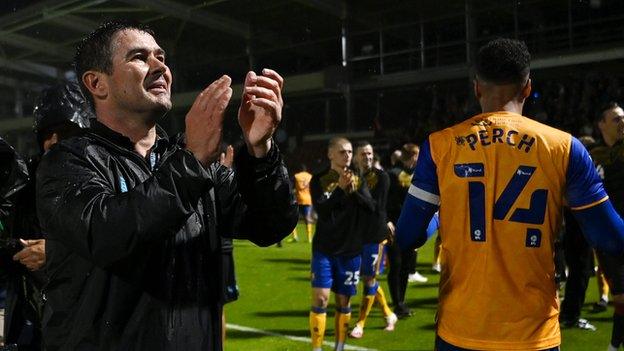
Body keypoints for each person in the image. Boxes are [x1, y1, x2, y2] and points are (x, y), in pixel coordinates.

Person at [36, 21, 297, 351]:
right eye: (140, 57)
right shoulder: (67, 162)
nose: (161, 66)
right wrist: (191, 163)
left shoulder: (194, 162)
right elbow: (109, 234)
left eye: (161, 56)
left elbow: (271, 225)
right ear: (97, 83)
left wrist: (262, 152)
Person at [396, 38, 624, 350]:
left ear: (477, 88)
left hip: (462, 330)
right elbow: (610, 239)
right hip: (532, 333)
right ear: (528, 87)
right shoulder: (565, 148)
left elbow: (408, 237)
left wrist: (436, 218)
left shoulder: (440, 146)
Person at [1, 82, 91, 351]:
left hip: (90, 327)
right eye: (47, 134)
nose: (54, 141)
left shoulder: (108, 179)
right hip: (33, 327)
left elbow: (125, 242)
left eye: (64, 132)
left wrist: (55, 253)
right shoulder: (24, 185)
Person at [309, 137, 374, 351]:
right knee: (320, 300)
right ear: (330, 154)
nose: (347, 155)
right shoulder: (318, 179)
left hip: (350, 251)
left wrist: (353, 191)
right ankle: (317, 349)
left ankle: (339, 348)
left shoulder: (359, 179)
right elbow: (322, 211)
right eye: (342, 152)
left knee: (344, 303)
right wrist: (339, 189)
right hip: (324, 249)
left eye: (349, 151)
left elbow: (371, 207)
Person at [349, 141, 397, 339]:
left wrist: (354, 193)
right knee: (367, 278)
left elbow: (377, 207)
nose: (367, 157)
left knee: (369, 279)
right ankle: (389, 314)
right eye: (363, 154)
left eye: (369, 153)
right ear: (356, 157)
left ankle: (360, 324)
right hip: (357, 235)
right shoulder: (352, 176)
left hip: (374, 235)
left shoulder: (381, 177)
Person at [590, 101, 624, 351]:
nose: (622, 123)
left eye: (623, 118)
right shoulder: (593, 158)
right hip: (609, 240)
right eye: (616, 119)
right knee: (621, 299)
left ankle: (613, 346)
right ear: (602, 125)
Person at [558, 135, 597, 331]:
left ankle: (569, 313)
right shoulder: (578, 174)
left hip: (575, 232)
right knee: (579, 274)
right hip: (578, 232)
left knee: (579, 273)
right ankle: (570, 315)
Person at [385, 143, 423, 319]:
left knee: (406, 265)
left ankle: (401, 300)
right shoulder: (392, 174)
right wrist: (386, 221)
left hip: (411, 225)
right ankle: (397, 303)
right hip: (395, 226)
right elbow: (383, 201)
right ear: (413, 156)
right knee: (397, 264)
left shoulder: (416, 174)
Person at [290, 164, 314, 243]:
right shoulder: (310, 176)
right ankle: (309, 238)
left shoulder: (297, 176)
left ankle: (295, 237)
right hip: (308, 200)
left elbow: (290, 185)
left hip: (299, 199)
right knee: (307, 218)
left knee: (293, 218)